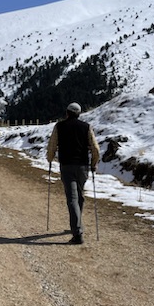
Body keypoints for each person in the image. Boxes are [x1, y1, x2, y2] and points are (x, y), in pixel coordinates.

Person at [46, 102, 100, 244]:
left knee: (72, 198)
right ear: (79, 114)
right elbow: (95, 148)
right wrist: (93, 164)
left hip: (67, 166)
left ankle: (77, 233)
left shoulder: (59, 126)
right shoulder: (86, 127)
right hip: (83, 167)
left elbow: (52, 145)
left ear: (67, 113)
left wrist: (50, 158)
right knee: (79, 196)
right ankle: (77, 225)